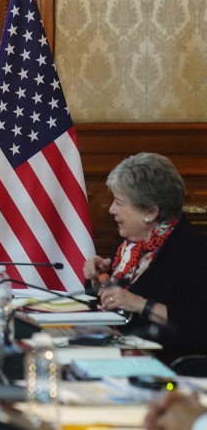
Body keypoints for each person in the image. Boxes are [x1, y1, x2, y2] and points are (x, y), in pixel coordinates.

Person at [83, 152, 207, 365]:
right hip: (122, 352)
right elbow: (112, 305)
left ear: (150, 212)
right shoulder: (132, 246)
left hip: (168, 366)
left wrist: (142, 304)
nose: (111, 210)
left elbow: (200, 325)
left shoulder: (194, 251)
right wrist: (97, 280)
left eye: (119, 203)